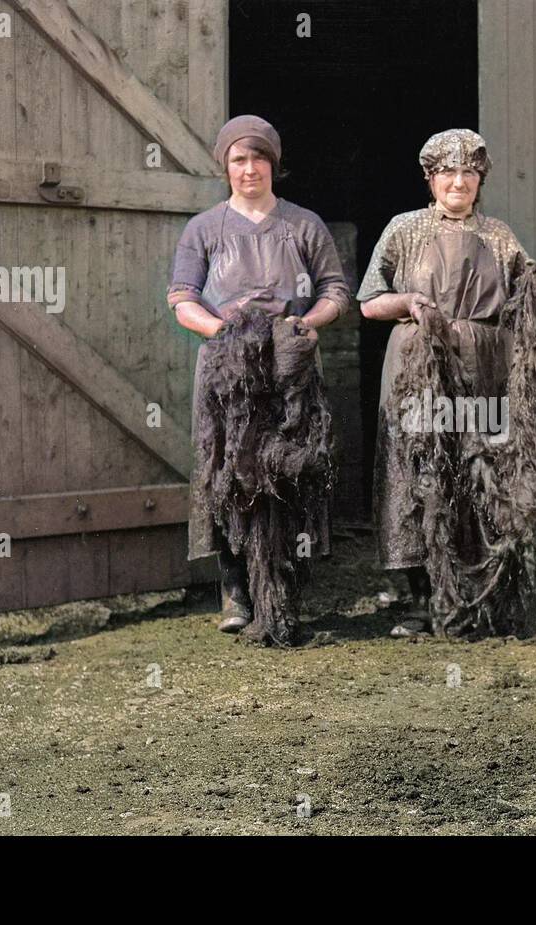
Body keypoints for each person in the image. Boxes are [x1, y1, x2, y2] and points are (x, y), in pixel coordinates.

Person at [359, 129, 536, 638]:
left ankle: (477, 591)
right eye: (447, 171)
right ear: (430, 177)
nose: (458, 181)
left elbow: (520, 302)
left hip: (482, 368)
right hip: (418, 366)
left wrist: (534, 284)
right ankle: (419, 600)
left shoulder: (499, 235)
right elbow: (368, 300)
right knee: (421, 466)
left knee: (477, 468)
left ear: (480, 179)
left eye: (469, 172)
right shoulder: (404, 230)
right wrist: (407, 304)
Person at [168, 115, 350, 634]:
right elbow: (182, 297)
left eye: (259, 159)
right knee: (227, 473)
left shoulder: (303, 225)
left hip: (290, 365)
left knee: (292, 468)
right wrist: (221, 331)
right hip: (227, 369)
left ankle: (287, 587)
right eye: (238, 160)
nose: (250, 170)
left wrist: (302, 325)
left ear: (274, 164)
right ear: (226, 167)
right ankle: (236, 594)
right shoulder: (204, 228)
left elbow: (335, 292)